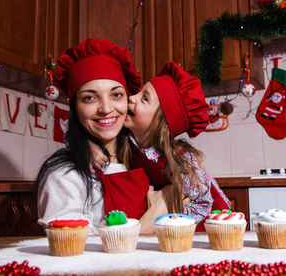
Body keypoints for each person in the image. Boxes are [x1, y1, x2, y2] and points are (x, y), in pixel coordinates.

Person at [36, 39, 170, 235]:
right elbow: (75, 252)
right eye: (90, 97)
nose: (106, 109)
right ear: (75, 108)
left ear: (128, 101)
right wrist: (153, 218)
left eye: (116, 95)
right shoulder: (63, 176)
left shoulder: (144, 159)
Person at [124, 61, 231, 231]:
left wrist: (174, 216)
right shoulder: (128, 140)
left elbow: (203, 202)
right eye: (138, 92)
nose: (131, 97)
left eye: (144, 98)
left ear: (162, 124)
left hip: (204, 226)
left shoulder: (179, 161)